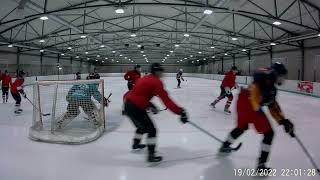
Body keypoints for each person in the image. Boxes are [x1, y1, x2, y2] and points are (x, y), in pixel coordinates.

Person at [219, 62, 295, 171]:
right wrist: (257, 107)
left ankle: (225, 145)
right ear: (277, 74)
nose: (283, 79)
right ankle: (261, 165)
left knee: (242, 127)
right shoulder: (267, 80)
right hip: (250, 105)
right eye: (282, 76)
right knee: (269, 133)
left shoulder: (269, 85)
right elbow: (257, 90)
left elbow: (272, 105)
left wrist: (283, 121)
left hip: (242, 101)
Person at [124, 63, 188, 163]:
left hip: (128, 105)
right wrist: (180, 111)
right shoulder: (156, 82)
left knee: (141, 127)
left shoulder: (145, 78)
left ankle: (136, 144)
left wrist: (149, 105)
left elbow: (139, 93)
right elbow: (167, 100)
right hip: (136, 107)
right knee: (152, 130)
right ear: (157, 71)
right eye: (161, 71)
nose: (163, 73)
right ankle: (151, 155)